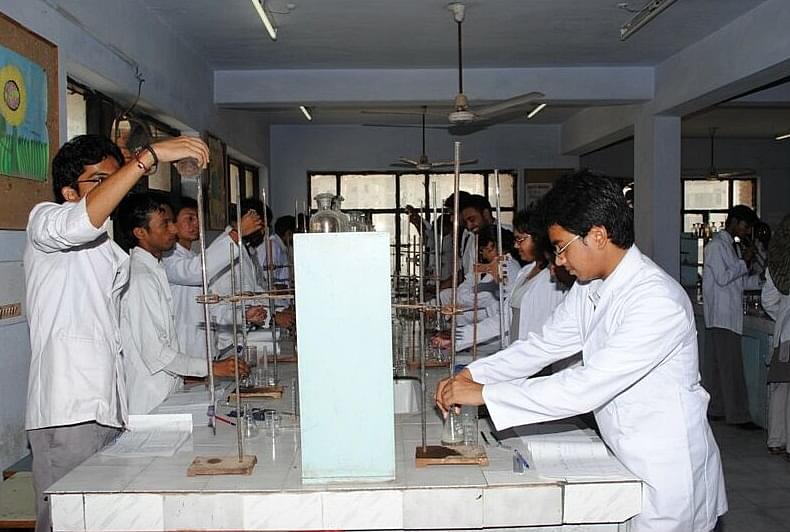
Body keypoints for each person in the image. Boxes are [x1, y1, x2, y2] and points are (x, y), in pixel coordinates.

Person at [436, 171, 726, 532]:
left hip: (667, 469)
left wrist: (485, 394)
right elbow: (544, 344)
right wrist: (473, 374)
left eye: (561, 247)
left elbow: (585, 386)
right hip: (622, 451)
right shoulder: (590, 287)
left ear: (598, 236)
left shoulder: (656, 300)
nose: (558, 261)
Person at [24, 134, 208, 532]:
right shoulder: (46, 220)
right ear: (69, 191)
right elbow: (78, 223)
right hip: (69, 410)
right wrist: (147, 159)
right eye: (100, 180)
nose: (113, 187)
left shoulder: (105, 245)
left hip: (106, 407)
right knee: (65, 522)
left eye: (115, 177)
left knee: (102, 519)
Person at [117, 194, 248, 414]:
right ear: (140, 233)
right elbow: (156, 353)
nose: (173, 229)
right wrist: (212, 367)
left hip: (167, 390)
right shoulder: (140, 278)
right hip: (148, 399)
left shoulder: (154, 269)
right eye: (164, 224)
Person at [162, 197, 263, 360]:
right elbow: (196, 272)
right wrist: (237, 233)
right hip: (183, 351)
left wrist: (243, 316)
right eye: (190, 218)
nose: (197, 223)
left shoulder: (193, 257)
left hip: (205, 351)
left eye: (198, 218)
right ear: (172, 224)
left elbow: (212, 309)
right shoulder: (168, 260)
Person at [702, 204, 762, 428]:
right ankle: (738, 415)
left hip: (726, 316)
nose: (747, 231)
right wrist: (744, 261)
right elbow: (723, 278)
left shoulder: (730, 247)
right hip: (722, 316)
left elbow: (739, 282)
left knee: (719, 368)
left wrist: (762, 280)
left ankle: (717, 409)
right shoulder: (716, 246)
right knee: (731, 369)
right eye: (746, 226)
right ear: (734, 222)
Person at [761, 214, 790, 458]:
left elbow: (768, 300)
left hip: (786, 335)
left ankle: (776, 440)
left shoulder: (777, 263)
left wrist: (782, 316)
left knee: (781, 387)